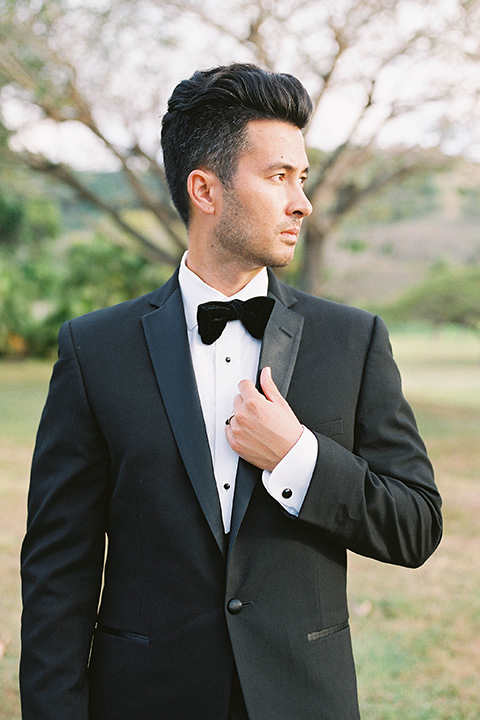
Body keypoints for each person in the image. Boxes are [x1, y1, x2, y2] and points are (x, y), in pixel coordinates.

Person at [20, 63, 442, 720]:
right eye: (279, 177)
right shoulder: (93, 351)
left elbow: (416, 527)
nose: (302, 201)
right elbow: (57, 576)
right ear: (205, 189)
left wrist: (299, 458)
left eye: (302, 179)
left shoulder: (353, 340)